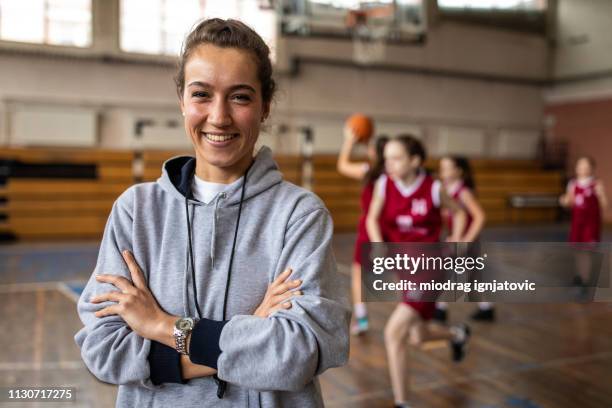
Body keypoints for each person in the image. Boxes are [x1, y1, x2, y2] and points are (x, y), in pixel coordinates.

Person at [75, 18, 350, 407]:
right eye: (202, 94)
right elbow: (104, 351)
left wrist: (161, 326)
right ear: (182, 101)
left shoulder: (299, 216)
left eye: (239, 97)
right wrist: (251, 329)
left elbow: (296, 354)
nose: (219, 117)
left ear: (264, 106)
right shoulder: (136, 212)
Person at [366, 135, 471, 408]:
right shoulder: (383, 184)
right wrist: (378, 245)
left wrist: (457, 242)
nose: (389, 163)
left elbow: (459, 213)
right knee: (418, 335)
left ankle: (403, 402)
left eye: (396, 158)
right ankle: (457, 334)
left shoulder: (434, 188)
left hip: (430, 267)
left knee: (393, 333)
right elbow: (371, 217)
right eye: (386, 157)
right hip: (404, 267)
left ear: (415, 160)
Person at [337, 127, 388, 335]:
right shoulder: (393, 173)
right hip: (392, 228)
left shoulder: (370, 171)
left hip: (371, 227)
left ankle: (363, 318)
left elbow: (342, 165)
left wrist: (349, 141)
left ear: (375, 153)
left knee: (359, 274)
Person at [434, 156, 491, 322]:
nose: (443, 171)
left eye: (447, 168)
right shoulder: (445, 190)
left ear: (458, 171)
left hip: (466, 240)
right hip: (454, 239)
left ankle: (440, 308)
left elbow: (480, 216)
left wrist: (466, 240)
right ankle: (486, 307)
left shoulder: (463, 192)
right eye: (441, 167)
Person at [560, 156, 608, 289]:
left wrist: (601, 195)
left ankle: (584, 279)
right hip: (577, 224)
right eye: (580, 165)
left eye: (585, 166)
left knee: (586, 251)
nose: (582, 168)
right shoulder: (573, 184)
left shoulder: (596, 184)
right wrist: (564, 201)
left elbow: (604, 205)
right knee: (577, 251)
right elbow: (570, 202)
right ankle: (579, 275)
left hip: (590, 225)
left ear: (591, 168)